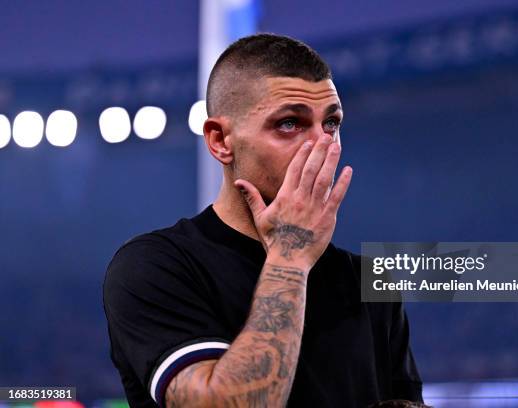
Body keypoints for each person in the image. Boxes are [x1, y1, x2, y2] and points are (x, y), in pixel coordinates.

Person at [103, 33, 423, 408]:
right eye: (289, 124)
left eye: (332, 124)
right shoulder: (155, 265)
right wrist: (290, 256)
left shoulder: (369, 280)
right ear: (220, 140)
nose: (323, 145)